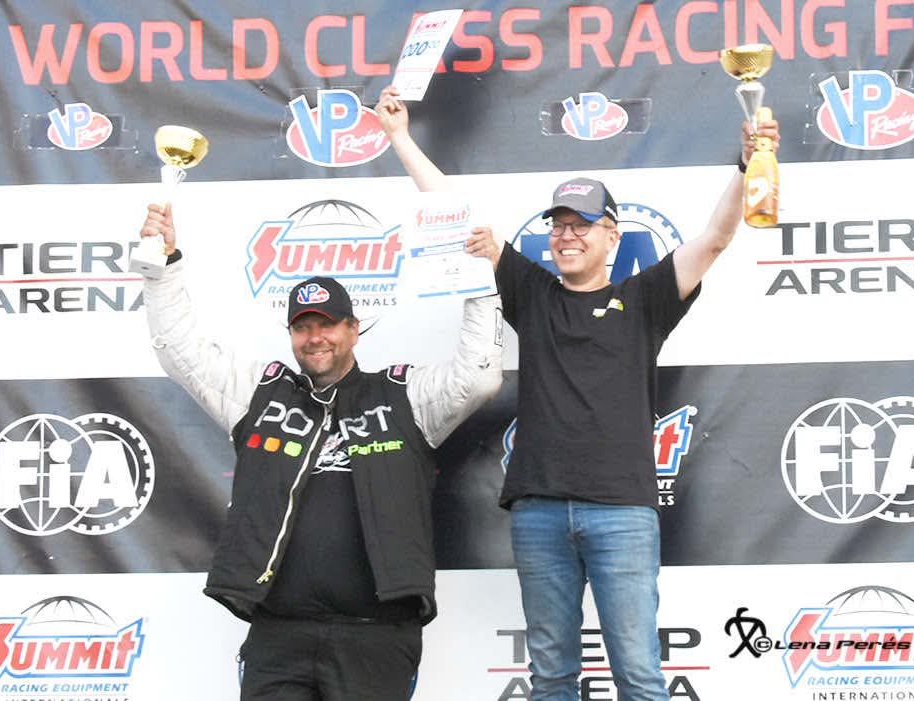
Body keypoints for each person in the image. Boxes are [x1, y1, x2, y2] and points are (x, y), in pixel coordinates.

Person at [376, 84, 780, 700]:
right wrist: (400, 137)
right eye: (559, 225)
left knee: (639, 676)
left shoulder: (645, 299)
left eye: (582, 224)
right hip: (539, 513)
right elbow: (451, 211)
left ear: (612, 236)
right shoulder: (533, 292)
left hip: (622, 513)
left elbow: (714, 240)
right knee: (552, 678)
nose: (567, 235)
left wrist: (747, 167)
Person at [138, 203, 503, 700]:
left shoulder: (403, 396)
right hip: (278, 633)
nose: (315, 338)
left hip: (377, 634)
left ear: (354, 328)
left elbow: (479, 376)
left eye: (327, 324)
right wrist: (163, 268)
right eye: (303, 327)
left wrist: (479, 282)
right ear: (291, 334)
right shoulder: (260, 396)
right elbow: (180, 352)